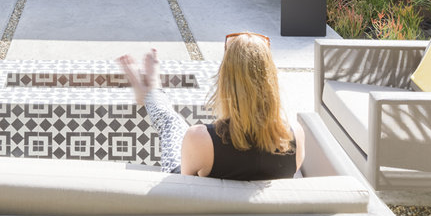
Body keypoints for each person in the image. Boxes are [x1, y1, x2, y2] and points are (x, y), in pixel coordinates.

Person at [117, 32, 305, 179]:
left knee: (171, 122)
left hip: (188, 201)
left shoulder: (200, 139)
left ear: (225, 82)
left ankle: (152, 90)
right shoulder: (294, 136)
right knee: (177, 126)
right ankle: (150, 91)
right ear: (271, 81)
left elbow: (181, 190)